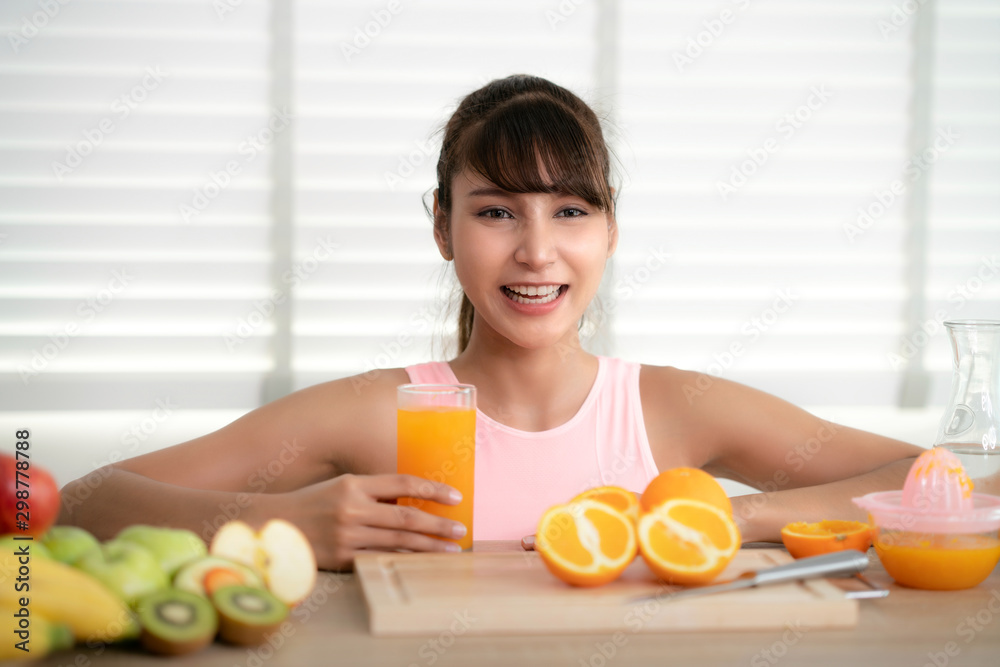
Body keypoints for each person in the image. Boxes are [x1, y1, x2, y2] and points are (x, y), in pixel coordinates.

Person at [59, 74, 923, 571]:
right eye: (498, 213)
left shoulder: (673, 407)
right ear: (442, 227)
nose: (537, 252)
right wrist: (282, 523)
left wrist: (739, 518)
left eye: (571, 211)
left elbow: (940, 482)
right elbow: (80, 500)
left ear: (610, 231)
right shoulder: (372, 411)